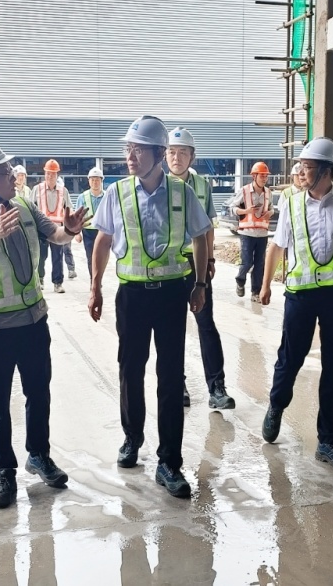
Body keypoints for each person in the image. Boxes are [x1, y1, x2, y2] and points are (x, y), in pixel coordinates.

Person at [0, 138, 87, 508]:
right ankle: (4, 473)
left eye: (11, 171)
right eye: (4, 172)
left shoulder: (24, 205)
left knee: (38, 392)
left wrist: (70, 230)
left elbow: (55, 235)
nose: (13, 177)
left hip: (33, 320)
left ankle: (38, 455)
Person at [88, 115, 212, 499]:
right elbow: (103, 240)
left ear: (159, 154)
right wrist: (95, 286)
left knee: (171, 377)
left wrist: (200, 283)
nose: (130, 156)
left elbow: (201, 235)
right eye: (128, 149)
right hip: (132, 296)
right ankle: (132, 437)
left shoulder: (182, 193)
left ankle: (169, 463)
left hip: (173, 294)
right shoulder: (117, 193)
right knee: (131, 370)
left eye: (138, 150)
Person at [259, 137, 333, 471]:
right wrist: (265, 285)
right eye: (301, 166)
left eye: (308, 167)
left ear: (327, 171)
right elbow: (278, 245)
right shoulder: (292, 203)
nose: (301, 171)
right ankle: (277, 404)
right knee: (290, 358)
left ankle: (328, 442)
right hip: (300, 294)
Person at [165, 126, 235, 410]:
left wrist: (210, 261)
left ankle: (217, 388)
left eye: (182, 152)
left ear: (192, 157)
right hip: (169, 266)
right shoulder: (159, 186)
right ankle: (177, 383)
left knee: (206, 324)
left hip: (197, 263)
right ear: (165, 155)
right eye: (172, 152)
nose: (176, 158)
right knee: (173, 329)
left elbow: (208, 226)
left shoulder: (203, 186)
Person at [230, 161, 273, 302]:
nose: (264, 178)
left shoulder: (268, 192)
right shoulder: (244, 191)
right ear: (254, 176)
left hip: (262, 234)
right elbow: (233, 208)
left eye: (266, 176)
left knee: (259, 264)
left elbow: (271, 207)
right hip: (247, 233)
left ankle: (256, 292)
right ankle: (240, 280)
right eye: (262, 175)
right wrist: (246, 211)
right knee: (247, 262)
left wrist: (270, 212)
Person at [33, 159, 73, 293]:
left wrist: (71, 230)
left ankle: (58, 283)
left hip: (57, 230)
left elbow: (69, 210)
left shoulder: (63, 191)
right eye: (48, 173)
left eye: (53, 174)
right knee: (40, 256)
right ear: (44, 174)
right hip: (41, 230)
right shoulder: (37, 189)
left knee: (58, 257)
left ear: (57, 175)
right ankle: (40, 279)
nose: (50, 176)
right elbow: (30, 208)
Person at [75, 166, 105, 280]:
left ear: (101, 181)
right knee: (91, 258)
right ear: (88, 181)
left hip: (103, 231)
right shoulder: (82, 197)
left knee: (101, 257)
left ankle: (98, 279)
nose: (95, 182)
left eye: (97, 180)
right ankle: (94, 281)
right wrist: (77, 233)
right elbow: (77, 216)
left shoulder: (107, 196)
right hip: (88, 232)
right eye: (92, 180)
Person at [57, 177, 77, 280]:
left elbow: (70, 210)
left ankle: (71, 270)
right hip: (54, 228)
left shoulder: (65, 197)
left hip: (65, 228)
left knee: (67, 249)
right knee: (56, 253)